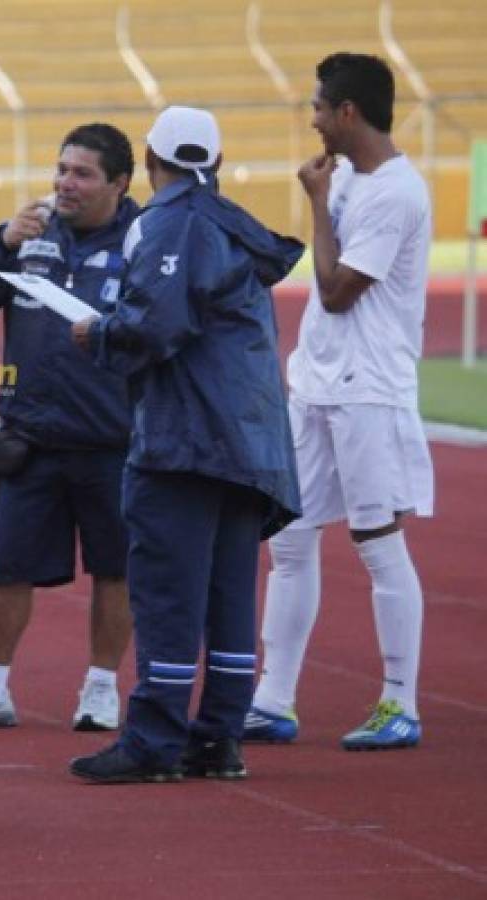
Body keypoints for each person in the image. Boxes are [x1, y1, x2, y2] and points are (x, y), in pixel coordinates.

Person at [67, 106, 303, 783]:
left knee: (167, 590)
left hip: (185, 438)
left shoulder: (170, 222)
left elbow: (155, 326)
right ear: (217, 165)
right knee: (229, 595)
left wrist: (101, 336)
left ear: (148, 161)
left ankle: (152, 740)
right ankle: (218, 736)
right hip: (249, 444)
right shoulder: (232, 226)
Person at [245, 53, 433, 751]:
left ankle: (399, 703)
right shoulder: (349, 174)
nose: (314, 120)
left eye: (320, 108)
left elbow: (333, 288)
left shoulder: (395, 192)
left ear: (347, 112)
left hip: (369, 391)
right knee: (289, 540)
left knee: (376, 542)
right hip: (318, 382)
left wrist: (316, 204)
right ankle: (271, 699)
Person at [0, 123, 138, 732]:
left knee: (116, 571)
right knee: (6, 569)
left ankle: (102, 687)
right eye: (62, 169)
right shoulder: (30, 235)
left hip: (112, 440)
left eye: (82, 173)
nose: (66, 183)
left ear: (119, 183)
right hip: (29, 437)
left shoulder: (143, 242)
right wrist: (0, 241)